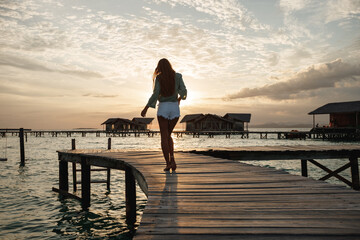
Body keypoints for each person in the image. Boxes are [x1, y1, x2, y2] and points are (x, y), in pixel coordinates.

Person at [141, 58, 187, 171]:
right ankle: (173, 159)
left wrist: (146, 107)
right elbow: (184, 91)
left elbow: (156, 93)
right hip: (175, 108)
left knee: (164, 137)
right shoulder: (178, 76)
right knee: (168, 135)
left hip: (163, 108)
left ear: (159, 67)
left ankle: (168, 163)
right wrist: (180, 99)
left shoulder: (159, 78)